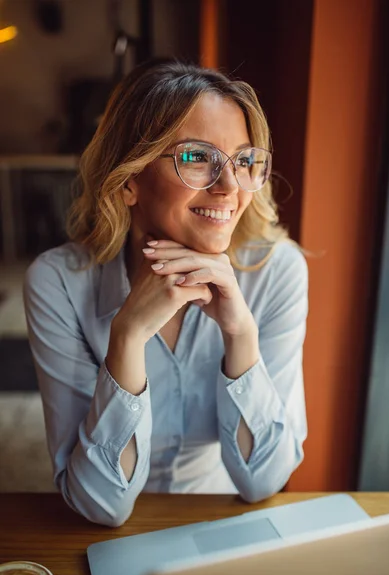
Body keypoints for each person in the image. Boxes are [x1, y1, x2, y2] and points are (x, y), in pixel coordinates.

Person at [23, 60, 308, 528]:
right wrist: (127, 337)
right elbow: (101, 505)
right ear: (129, 178)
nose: (230, 189)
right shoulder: (57, 283)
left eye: (242, 162)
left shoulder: (277, 272)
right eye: (197, 157)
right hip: (105, 532)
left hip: (221, 520)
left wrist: (240, 333)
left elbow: (263, 482)